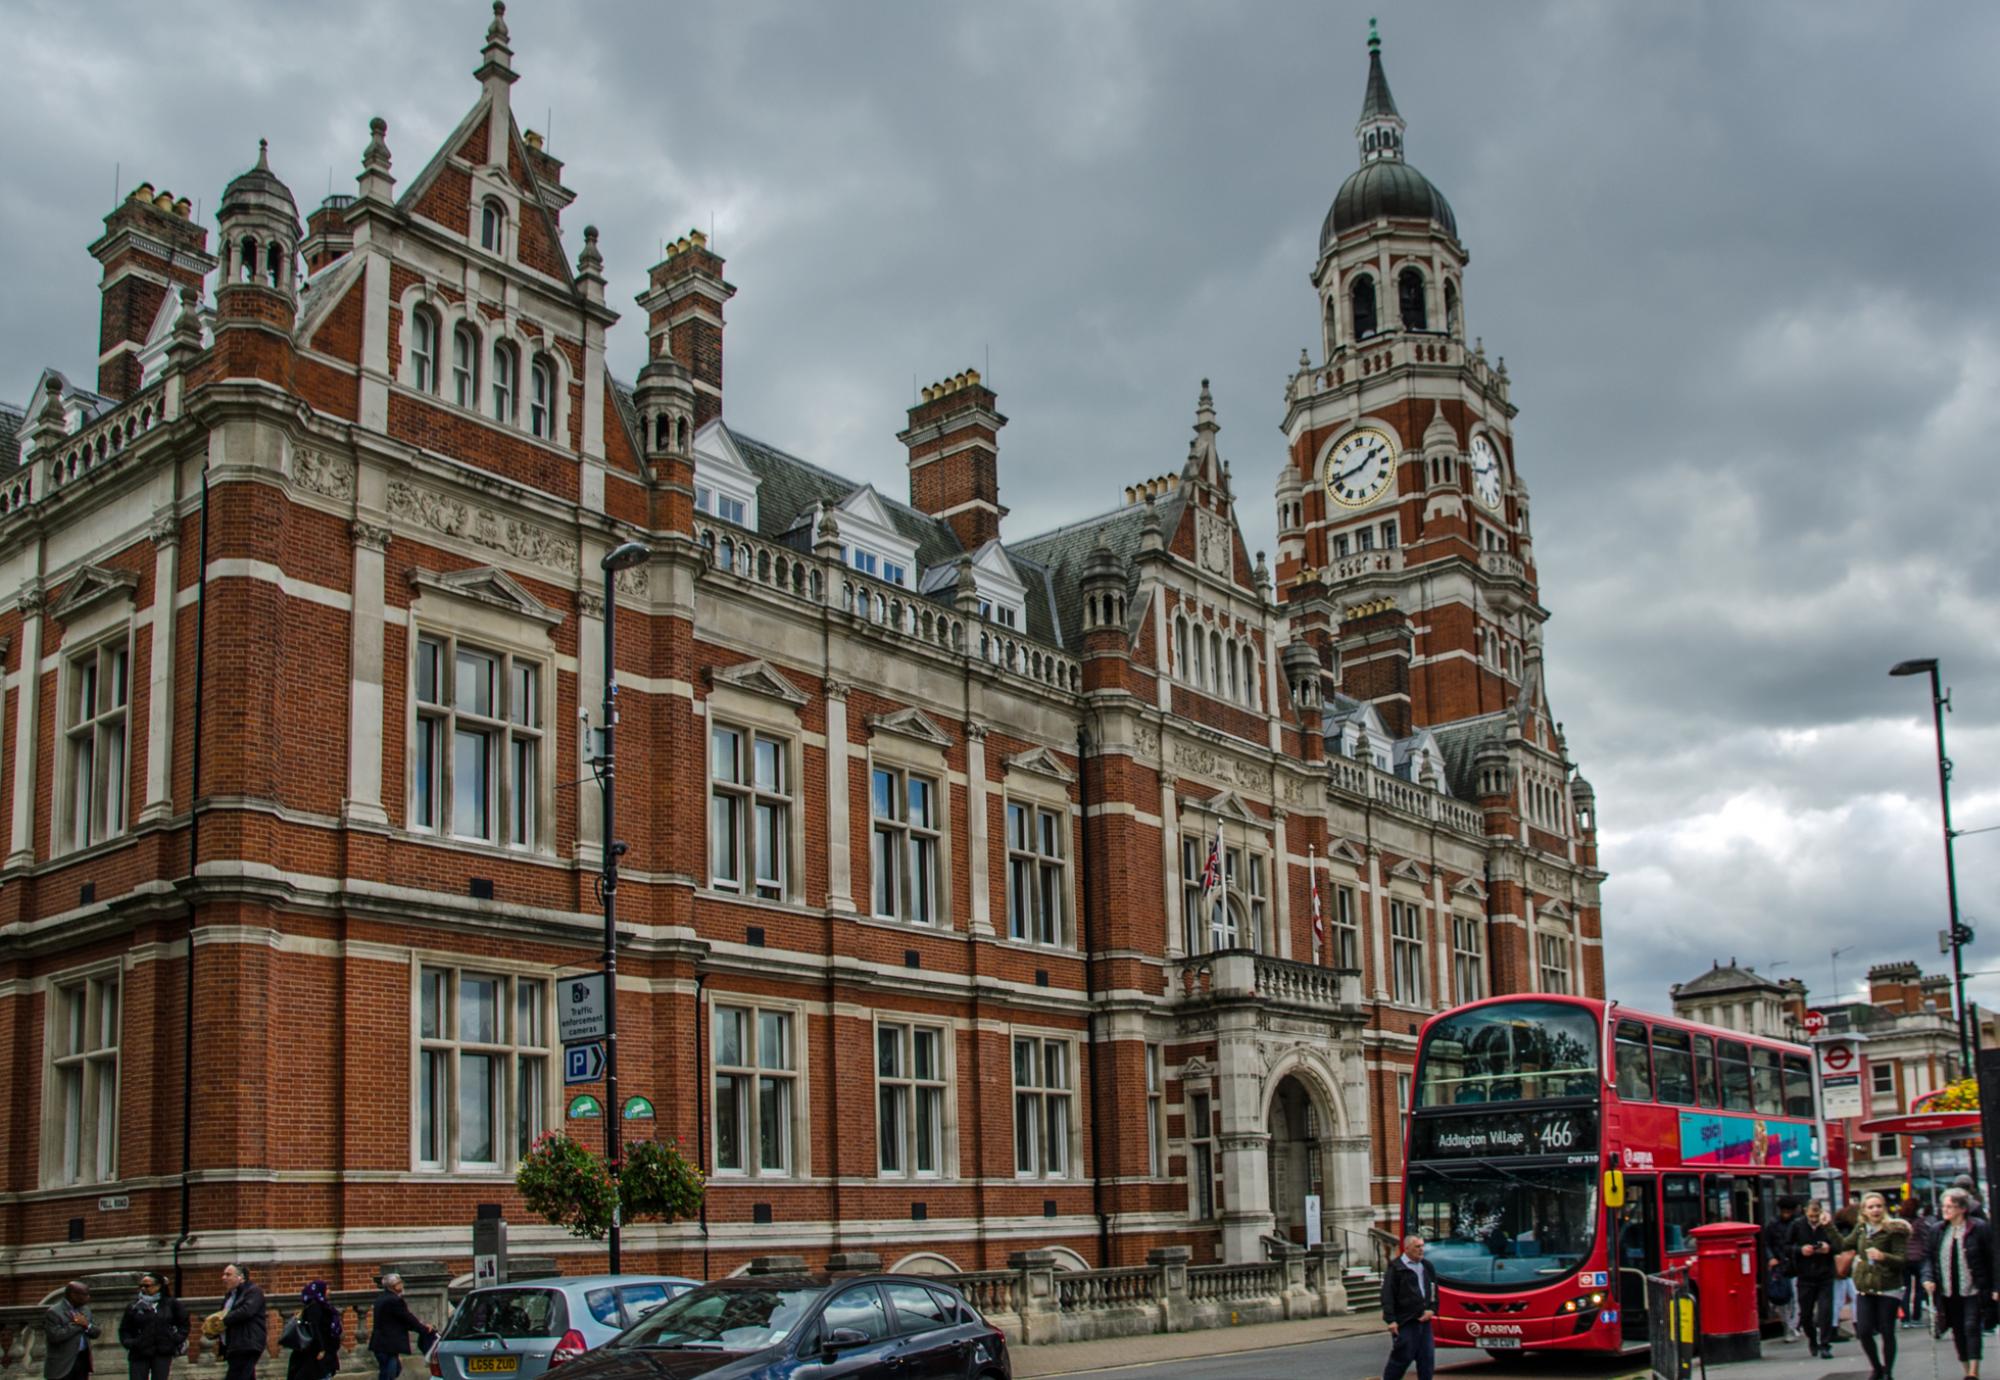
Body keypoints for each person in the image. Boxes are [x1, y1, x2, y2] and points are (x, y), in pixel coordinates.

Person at [1923, 1186, 1994, 1380]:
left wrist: (1995, 1287)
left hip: (1973, 1288)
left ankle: (1973, 1371)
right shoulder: (1937, 1230)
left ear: (1963, 1208)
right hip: (1947, 1291)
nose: (1945, 1210)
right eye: (1944, 1206)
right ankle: (1966, 1368)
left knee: (1971, 1326)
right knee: (1958, 1330)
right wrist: (1928, 1277)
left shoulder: (1978, 1228)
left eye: (1950, 1207)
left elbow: (1992, 1258)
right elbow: (1929, 1257)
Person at [1844, 1191, 1912, 1380]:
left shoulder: (1894, 1229)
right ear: (1864, 1211)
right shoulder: (1861, 1229)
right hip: (1866, 1286)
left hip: (1888, 1287)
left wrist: (1883, 1257)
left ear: (1884, 1208)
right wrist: (1827, 1228)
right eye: (1871, 1207)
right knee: (1864, 1331)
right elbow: (1843, 1244)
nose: (1875, 1210)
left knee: (1886, 1330)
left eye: (1878, 1206)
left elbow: (1902, 1259)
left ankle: (1888, 1371)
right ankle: (1877, 1367)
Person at [1793, 1199, 1845, 1360]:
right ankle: (1812, 1340)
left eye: (1817, 1215)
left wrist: (1828, 1248)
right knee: (1806, 1315)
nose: (1814, 1218)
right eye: (1811, 1215)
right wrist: (1801, 1250)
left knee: (1825, 1311)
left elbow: (1840, 1245)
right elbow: (1786, 1246)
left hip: (1825, 1275)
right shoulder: (1797, 1225)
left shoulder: (1828, 1225)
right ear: (1805, 1211)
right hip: (1805, 1275)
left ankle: (1825, 1345)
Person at [1382, 1234, 1439, 1380]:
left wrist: (1432, 1309)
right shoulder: (1396, 1267)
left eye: (1422, 1246)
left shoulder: (1427, 1266)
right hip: (1406, 1320)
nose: (1421, 1250)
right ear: (1407, 1248)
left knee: (1427, 1358)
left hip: (1424, 1321)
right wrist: (1391, 1320)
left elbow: (1433, 1291)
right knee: (1402, 1357)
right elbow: (1387, 1294)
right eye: (1417, 1247)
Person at [118, 1273, 189, 1380]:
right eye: (141, 1286)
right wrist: (130, 1342)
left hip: (162, 1350)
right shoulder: (134, 1306)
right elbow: (125, 1329)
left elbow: (184, 1324)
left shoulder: (171, 1304)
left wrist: (174, 1339)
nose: (143, 1289)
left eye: (147, 1286)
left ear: (158, 1286)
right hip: (139, 1351)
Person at [367, 1273, 438, 1380]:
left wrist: (420, 1327)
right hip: (388, 1344)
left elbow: (399, 1321)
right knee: (389, 1374)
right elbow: (407, 1318)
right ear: (393, 1286)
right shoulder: (394, 1300)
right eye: (399, 1283)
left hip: (382, 1344)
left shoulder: (383, 1298)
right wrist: (423, 1329)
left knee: (393, 1370)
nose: (402, 1285)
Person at [219, 1264, 268, 1380]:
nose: (223, 1278)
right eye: (224, 1274)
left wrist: (222, 1320)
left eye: (228, 1275)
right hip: (234, 1345)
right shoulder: (230, 1295)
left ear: (240, 1278)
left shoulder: (253, 1291)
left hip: (247, 1343)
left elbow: (246, 1311)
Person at [43, 1282, 100, 1380]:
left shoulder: (85, 1310)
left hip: (82, 1360)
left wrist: (87, 1325)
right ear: (73, 1295)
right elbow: (55, 1336)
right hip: (62, 1364)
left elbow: (96, 1332)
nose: (88, 1297)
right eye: (85, 1295)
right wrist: (79, 1325)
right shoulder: (54, 1312)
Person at [285, 1281, 341, 1380]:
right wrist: (321, 1349)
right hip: (316, 1355)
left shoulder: (323, 1306)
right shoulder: (315, 1307)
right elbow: (315, 1328)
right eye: (326, 1289)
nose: (329, 1292)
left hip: (324, 1354)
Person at [1764, 1198, 1801, 1341]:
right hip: (1780, 1265)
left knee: (1796, 1298)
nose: (1786, 1214)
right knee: (1783, 1298)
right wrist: (1771, 1258)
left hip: (1796, 1264)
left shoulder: (1798, 1224)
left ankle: (1792, 1326)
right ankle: (1788, 1325)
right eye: (1784, 1212)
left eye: (1788, 1212)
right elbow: (1767, 1243)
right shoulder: (1773, 1225)